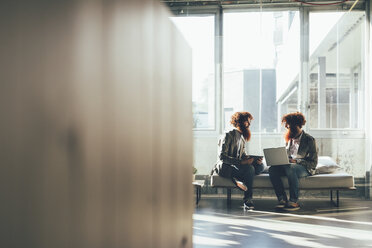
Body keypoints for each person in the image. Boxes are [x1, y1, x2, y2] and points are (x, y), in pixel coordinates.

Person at [212, 112, 264, 210]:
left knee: (260, 166)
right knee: (250, 169)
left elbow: (243, 155)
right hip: (226, 166)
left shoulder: (242, 137)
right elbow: (222, 157)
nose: (249, 124)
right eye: (247, 121)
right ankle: (248, 200)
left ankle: (236, 179)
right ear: (240, 122)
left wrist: (253, 159)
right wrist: (242, 162)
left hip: (236, 166)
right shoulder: (228, 135)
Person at [269, 112, 318, 211]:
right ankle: (282, 199)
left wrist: (296, 162)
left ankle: (293, 201)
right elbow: (287, 155)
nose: (286, 127)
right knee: (272, 169)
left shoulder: (309, 140)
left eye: (288, 124)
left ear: (297, 125)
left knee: (291, 167)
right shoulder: (289, 138)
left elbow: (313, 163)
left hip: (304, 168)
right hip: (288, 166)